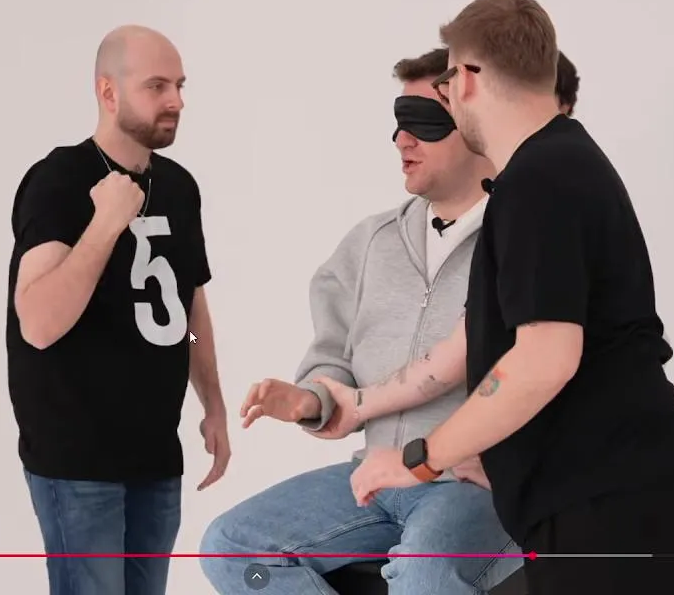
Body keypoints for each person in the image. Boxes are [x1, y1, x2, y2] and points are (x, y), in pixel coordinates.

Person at [348, 0, 674, 595]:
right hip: (617, 496)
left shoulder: (539, 180)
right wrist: (483, 450)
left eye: (446, 83)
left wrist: (422, 457)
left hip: (614, 505)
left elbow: (542, 361)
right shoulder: (559, 164)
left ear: (468, 78)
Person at [201, 44, 577, 595]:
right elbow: (334, 360)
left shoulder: (525, 237)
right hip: (374, 477)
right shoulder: (369, 244)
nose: (402, 139)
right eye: (398, 122)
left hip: (474, 484)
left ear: (474, 124)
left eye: (423, 122)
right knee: (232, 548)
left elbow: (548, 368)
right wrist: (312, 399)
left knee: (423, 576)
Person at [7, 24, 230, 595]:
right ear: (108, 92)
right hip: (77, 459)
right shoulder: (60, 179)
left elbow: (189, 314)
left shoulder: (179, 187)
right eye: (157, 86)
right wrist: (106, 223)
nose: (176, 101)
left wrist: (213, 404)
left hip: (155, 455)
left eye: (180, 86)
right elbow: (38, 323)